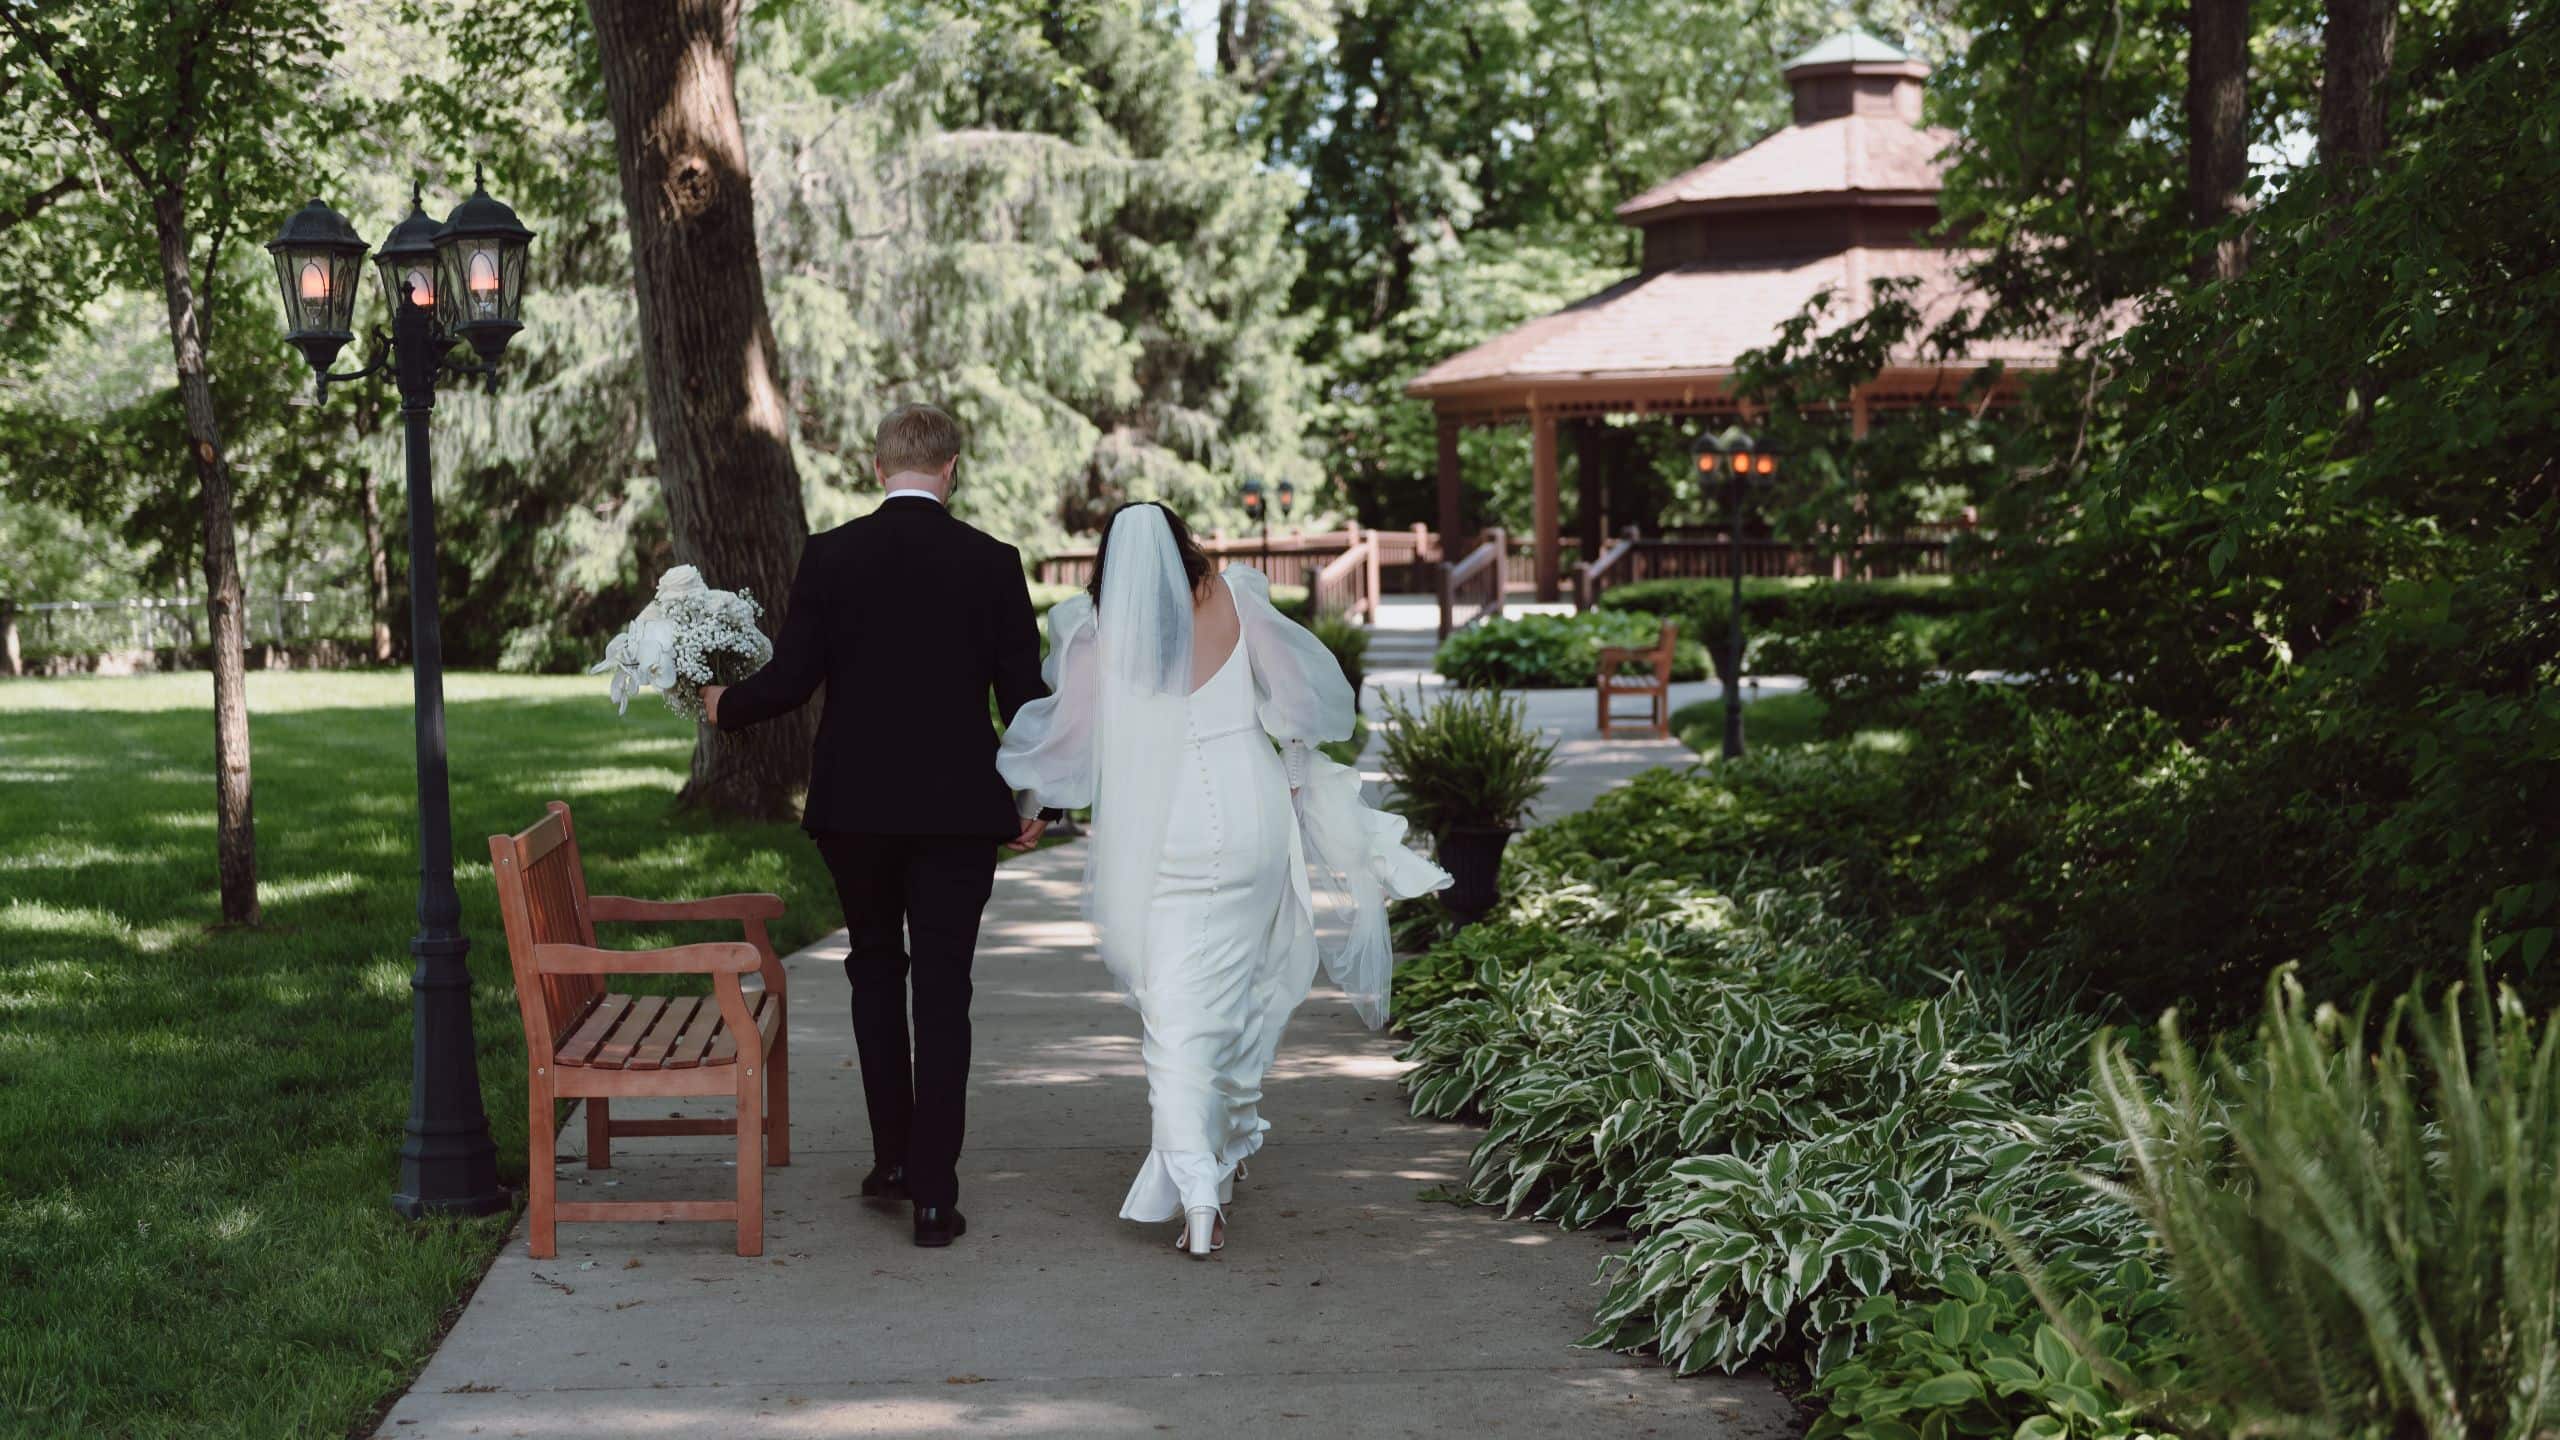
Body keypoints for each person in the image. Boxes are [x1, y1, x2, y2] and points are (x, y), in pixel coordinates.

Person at [996, 501, 1449, 1258]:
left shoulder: (1095, 631)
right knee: (1235, 989)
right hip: (1251, 814)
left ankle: (1199, 1192)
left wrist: (1027, 803)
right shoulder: (1239, 598)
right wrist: (1300, 778)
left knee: (1173, 1013)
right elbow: (1305, 704)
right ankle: (1215, 1159)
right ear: (1186, 546)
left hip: (1160, 829)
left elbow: (1064, 749)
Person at [701, 403, 1046, 1249]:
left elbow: (790, 679)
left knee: (874, 971)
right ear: (952, 469)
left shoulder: (832, 555)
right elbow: (1028, 702)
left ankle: (891, 1160)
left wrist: (723, 705)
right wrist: (1038, 801)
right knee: (945, 989)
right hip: (961, 813)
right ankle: (935, 1195)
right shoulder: (993, 563)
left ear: (877, 466)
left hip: (855, 810)